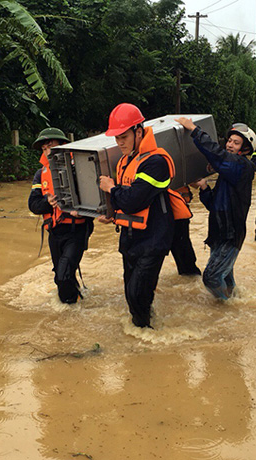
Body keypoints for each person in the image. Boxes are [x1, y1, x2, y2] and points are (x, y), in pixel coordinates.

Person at [98, 103, 177, 328]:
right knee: (132, 294)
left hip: (154, 238)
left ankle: (147, 339)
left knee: (136, 294)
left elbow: (133, 200)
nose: (119, 142)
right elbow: (126, 200)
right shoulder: (124, 162)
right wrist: (112, 216)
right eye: (116, 138)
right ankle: (143, 331)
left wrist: (111, 189)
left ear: (139, 132)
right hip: (130, 238)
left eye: (123, 136)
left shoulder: (156, 162)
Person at [175, 117, 256, 300]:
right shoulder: (227, 175)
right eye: (229, 141)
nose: (230, 145)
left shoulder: (243, 166)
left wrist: (194, 130)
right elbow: (213, 205)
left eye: (236, 143)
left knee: (211, 278)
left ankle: (227, 307)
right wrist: (204, 187)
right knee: (226, 278)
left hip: (230, 235)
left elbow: (217, 154)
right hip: (220, 233)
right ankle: (236, 302)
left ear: (244, 149)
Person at [28, 127, 94, 304]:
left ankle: (70, 309)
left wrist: (79, 210)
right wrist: (46, 203)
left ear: (63, 146)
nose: (47, 152)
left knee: (62, 276)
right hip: (55, 233)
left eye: (50, 146)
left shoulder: (79, 168)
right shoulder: (40, 174)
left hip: (76, 230)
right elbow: (32, 205)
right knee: (61, 275)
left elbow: (95, 202)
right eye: (44, 149)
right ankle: (74, 305)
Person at [170, 185, 202, 276]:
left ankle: (191, 277)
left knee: (183, 251)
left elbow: (195, 182)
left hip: (177, 215)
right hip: (173, 214)